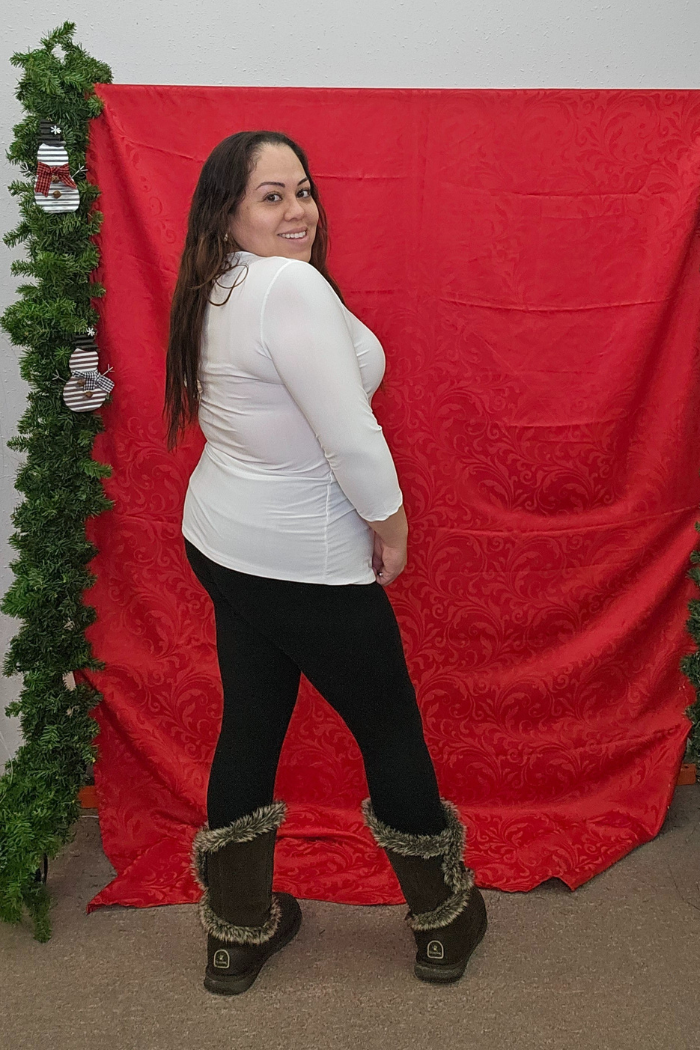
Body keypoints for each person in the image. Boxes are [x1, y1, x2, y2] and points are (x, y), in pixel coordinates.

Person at [164, 130, 487, 996]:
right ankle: (444, 922)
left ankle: (235, 935)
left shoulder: (219, 281)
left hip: (224, 542)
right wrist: (393, 525)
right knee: (389, 728)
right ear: (226, 213)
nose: (297, 210)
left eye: (302, 190)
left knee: (251, 722)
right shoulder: (287, 286)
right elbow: (351, 436)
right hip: (300, 558)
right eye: (271, 196)